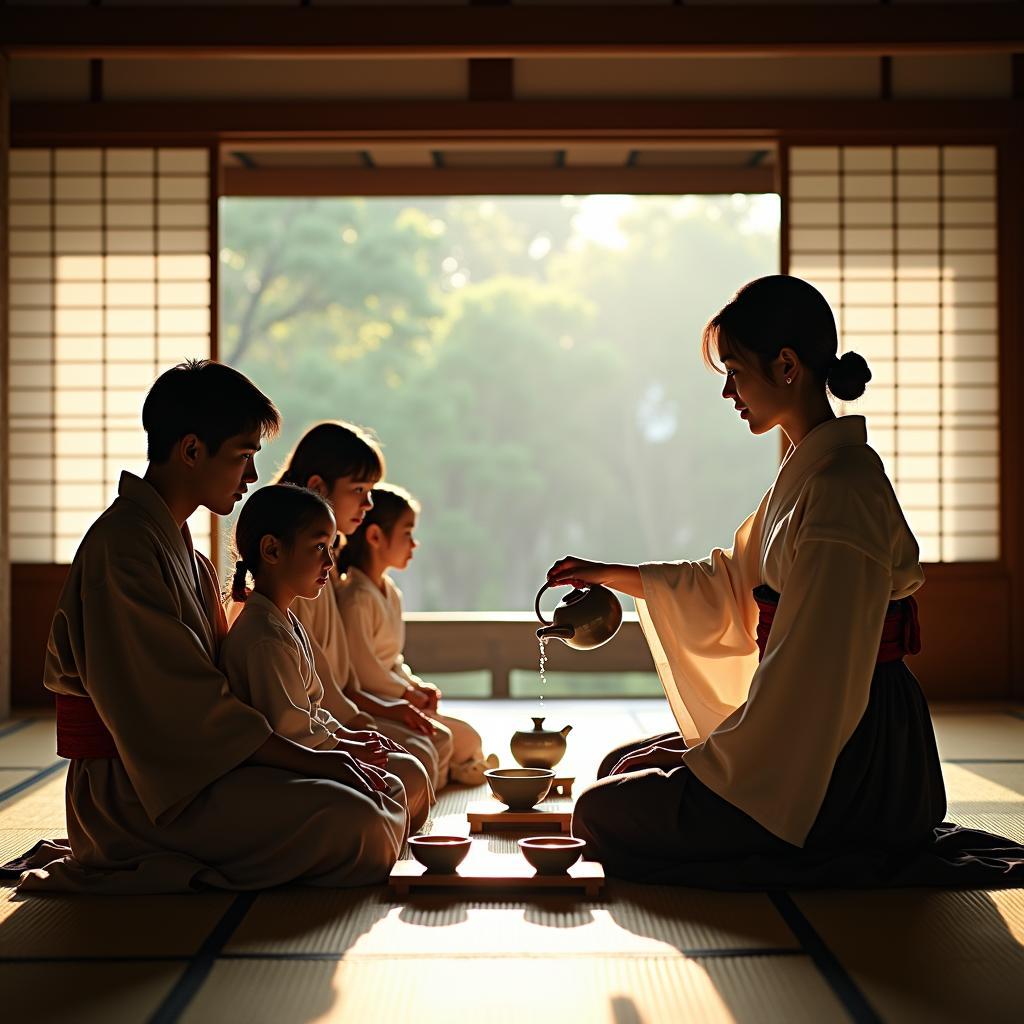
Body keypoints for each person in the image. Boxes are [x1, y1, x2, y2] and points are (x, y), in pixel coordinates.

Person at [547, 276, 1024, 888]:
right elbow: (728, 584)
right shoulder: (810, 475)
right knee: (620, 765)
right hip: (817, 720)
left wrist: (721, 761)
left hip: (854, 753)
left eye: (735, 373)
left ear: (788, 366)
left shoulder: (841, 490)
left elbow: (814, 673)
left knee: (597, 810)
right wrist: (614, 576)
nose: (727, 391)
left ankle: (799, 829)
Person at [11, 360, 408, 893]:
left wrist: (329, 753)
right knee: (359, 823)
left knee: (378, 802)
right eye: (243, 456)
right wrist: (322, 762)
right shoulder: (123, 549)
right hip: (136, 795)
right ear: (192, 450)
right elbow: (185, 710)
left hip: (196, 769)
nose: (250, 476)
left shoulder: (183, 554)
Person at [220, 484, 433, 831]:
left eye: (331, 547)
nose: (330, 561)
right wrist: (342, 749)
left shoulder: (285, 620)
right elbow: (290, 734)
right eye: (319, 547)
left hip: (315, 754)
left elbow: (313, 713)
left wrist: (349, 739)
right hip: (282, 772)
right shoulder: (263, 636)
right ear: (272, 549)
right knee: (395, 786)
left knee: (409, 772)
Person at [278, 422, 455, 789]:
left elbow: (343, 680)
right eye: (359, 490)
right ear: (317, 488)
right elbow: (312, 694)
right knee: (420, 757)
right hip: (319, 724)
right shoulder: (295, 573)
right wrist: (366, 718)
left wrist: (392, 704)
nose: (368, 504)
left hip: (343, 709)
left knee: (427, 748)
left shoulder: (326, 566)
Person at [335, 484, 495, 785]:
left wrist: (417, 686)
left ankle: (465, 765)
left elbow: (392, 661)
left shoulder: (389, 593)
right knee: (447, 740)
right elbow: (364, 670)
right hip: (376, 705)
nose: (414, 544)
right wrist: (405, 694)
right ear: (375, 537)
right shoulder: (356, 597)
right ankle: (461, 769)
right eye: (407, 533)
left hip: (398, 699)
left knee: (468, 738)